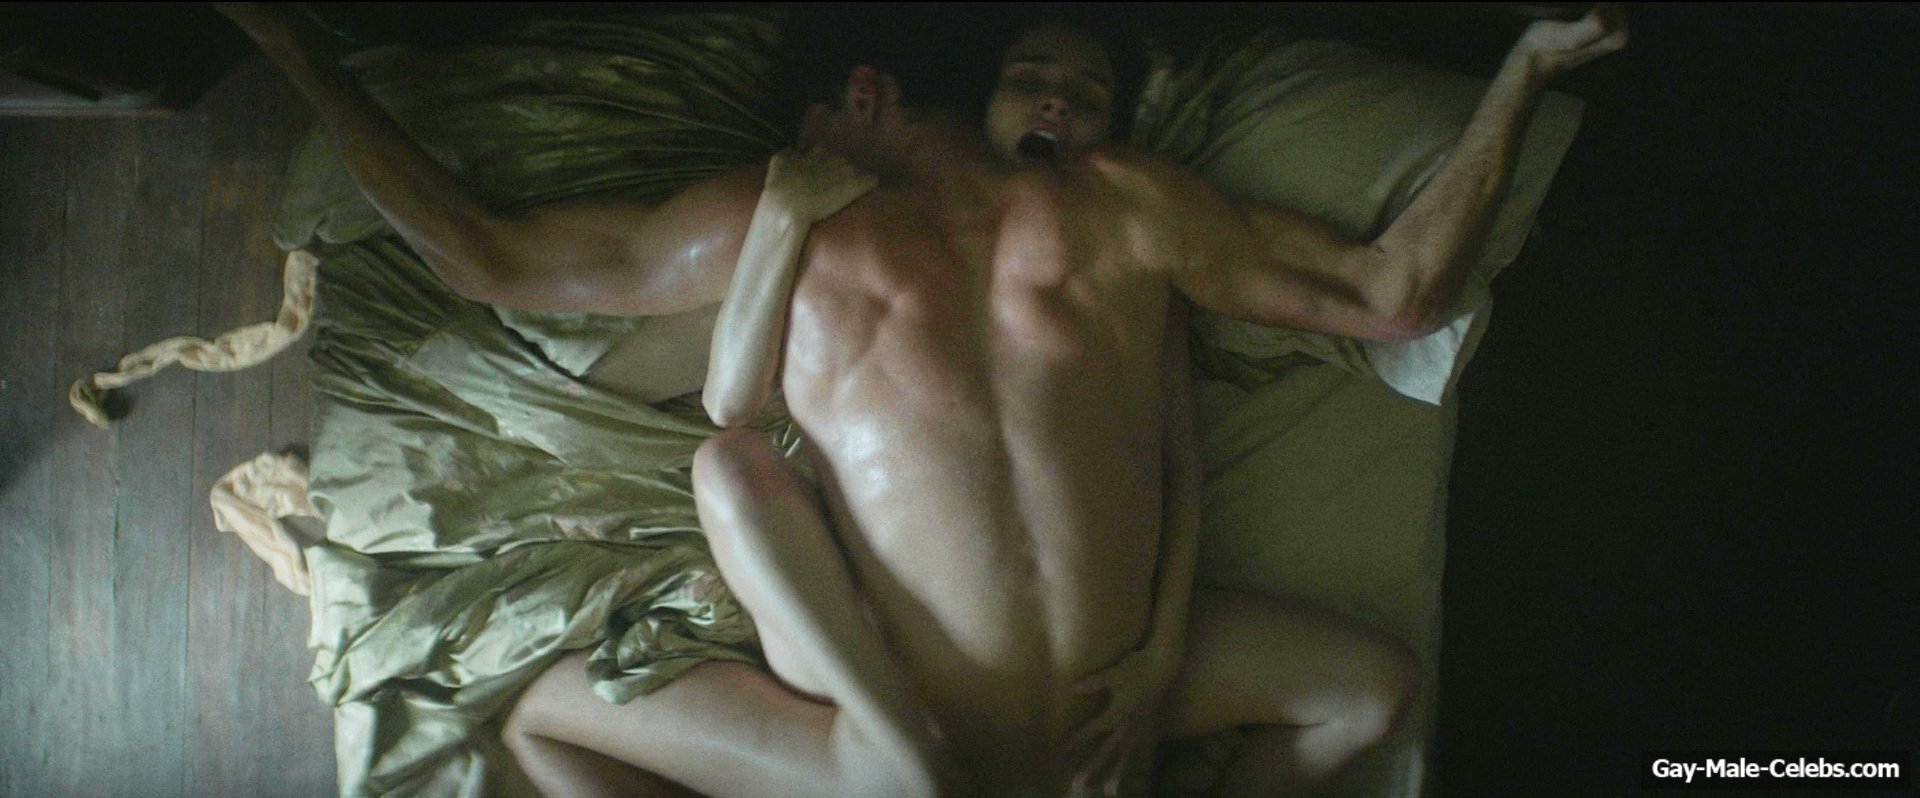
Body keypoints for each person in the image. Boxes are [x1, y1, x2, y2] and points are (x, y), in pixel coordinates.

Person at [218, 5, 1627, 797]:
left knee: (535, 722)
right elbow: (1394, 294)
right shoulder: (858, 216)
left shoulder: (1092, 202)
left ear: (862, 92)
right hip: (980, 718)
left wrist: (299, 60)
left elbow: (489, 258)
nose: (795, 144)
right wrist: (1518, 72)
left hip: (1055, 720)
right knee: (1369, 688)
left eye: (807, 119)